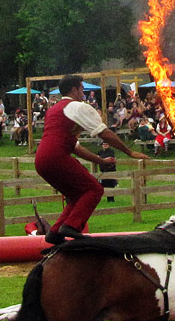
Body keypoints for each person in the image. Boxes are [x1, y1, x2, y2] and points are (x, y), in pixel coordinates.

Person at [35, 75, 148, 245]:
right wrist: (129, 152)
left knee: (77, 196)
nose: (84, 93)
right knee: (94, 189)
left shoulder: (54, 109)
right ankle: (71, 227)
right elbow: (105, 133)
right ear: (74, 90)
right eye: (81, 89)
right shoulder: (77, 107)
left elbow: (76, 147)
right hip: (56, 157)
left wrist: (100, 161)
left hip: (41, 160)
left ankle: (56, 231)